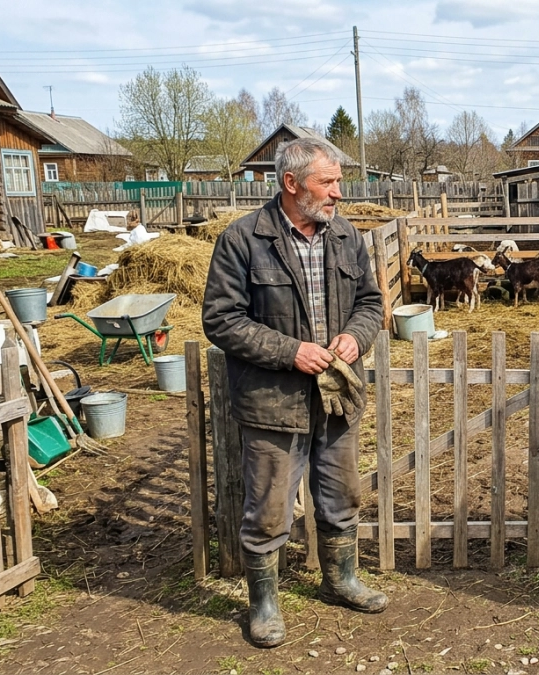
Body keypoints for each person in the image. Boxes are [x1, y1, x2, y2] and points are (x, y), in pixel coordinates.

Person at [203, 137, 387, 648]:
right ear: (291, 184)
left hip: (336, 397)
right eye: (327, 182)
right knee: (267, 508)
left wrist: (357, 334)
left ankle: (341, 579)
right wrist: (291, 352)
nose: (338, 193)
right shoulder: (243, 239)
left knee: (342, 495)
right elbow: (221, 319)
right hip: (272, 400)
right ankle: (262, 603)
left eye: (338, 181)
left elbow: (371, 302)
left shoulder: (347, 235)